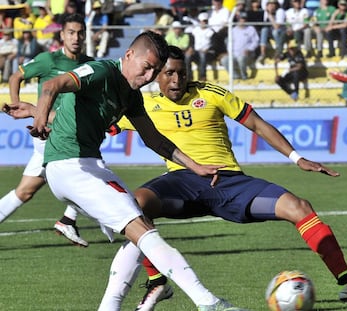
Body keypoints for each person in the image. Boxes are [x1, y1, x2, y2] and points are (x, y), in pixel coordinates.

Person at [100, 45, 347, 311]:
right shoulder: (142, 106)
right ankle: (158, 281)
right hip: (181, 182)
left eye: (181, 73)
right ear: (157, 77)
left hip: (230, 183)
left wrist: (296, 158)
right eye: (169, 74)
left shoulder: (211, 94)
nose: (176, 80)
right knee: (134, 205)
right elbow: (100, 127)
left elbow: (257, 124)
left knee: (299, 207)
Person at [4, 32, 249, 311]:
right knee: (142, 229)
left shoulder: (130, 95)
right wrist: (39, 120)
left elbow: (153, 139)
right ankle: (209, 302)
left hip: (88, 166)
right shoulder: (100, 71)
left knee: (140, 223)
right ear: (129, 55)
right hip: (71, 167)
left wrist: (195, 166)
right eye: (146, 67)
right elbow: (52, 85)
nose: (148, 76)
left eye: (154, 72)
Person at [0, 14, 93, 247]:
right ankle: (69, 220)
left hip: (68, 132)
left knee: (25, 191)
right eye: (71, 32)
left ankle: (68, 219)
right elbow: (16, 76)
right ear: (62, 35)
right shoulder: (48, 60)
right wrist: (15, 101)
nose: (76, 37)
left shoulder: (90, 64)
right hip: (50, 134)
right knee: (91, 174)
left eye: (80, 32)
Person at [221, 11, 259, 80]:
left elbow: (255, 41)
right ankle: (235, 76)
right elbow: (229, 42)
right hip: (234, 54)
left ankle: (244, 76)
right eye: (241, 18)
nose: (243, 20)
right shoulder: (233, 30)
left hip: (247, 55)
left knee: (241, 59)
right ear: (238, 19)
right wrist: (229, 52)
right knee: (224, 60)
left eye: (244, 19)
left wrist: (249, 49)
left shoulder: (251, 29)